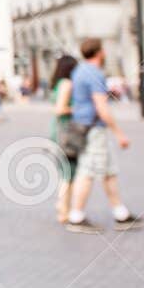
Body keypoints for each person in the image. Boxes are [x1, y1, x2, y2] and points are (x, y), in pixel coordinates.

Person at [65, 38, 142, 233]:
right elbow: (102, 107)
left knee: (108, 171)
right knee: (88, 171)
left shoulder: (79, 71)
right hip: (93, 129)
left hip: (82, 125)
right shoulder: (95, 74)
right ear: (99, 52)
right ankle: (76, 216)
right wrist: (119, 133)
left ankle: (120, 213)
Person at [47, 54, 79, 225]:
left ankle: (63, 206)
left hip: (58, 131)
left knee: (66, 173)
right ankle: (63, 209)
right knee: (69, 174)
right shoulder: (67, 84)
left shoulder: (58, 84)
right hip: (66, 133)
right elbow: (60, 109)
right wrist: (78, 108)